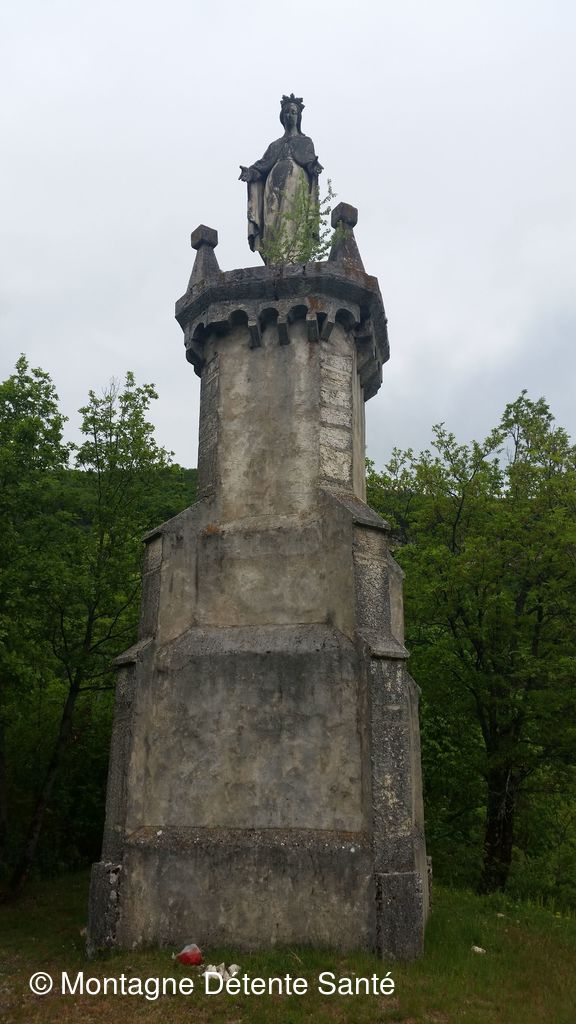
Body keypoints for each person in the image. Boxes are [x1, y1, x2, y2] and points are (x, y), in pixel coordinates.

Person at [239, 94, 323, 261]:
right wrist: (251, 173)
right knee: (271, 220)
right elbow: (262, 166)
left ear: (298, 117)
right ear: (282, 117)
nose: (289, 115)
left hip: (295, 184)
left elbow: (309, 162)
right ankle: (274, 257)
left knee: (291, 219)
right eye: (286, 112)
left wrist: (313, 166)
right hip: (272, 186)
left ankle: (293, 257)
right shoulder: (275, 145)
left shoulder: (305, 141)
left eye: (293, 112)